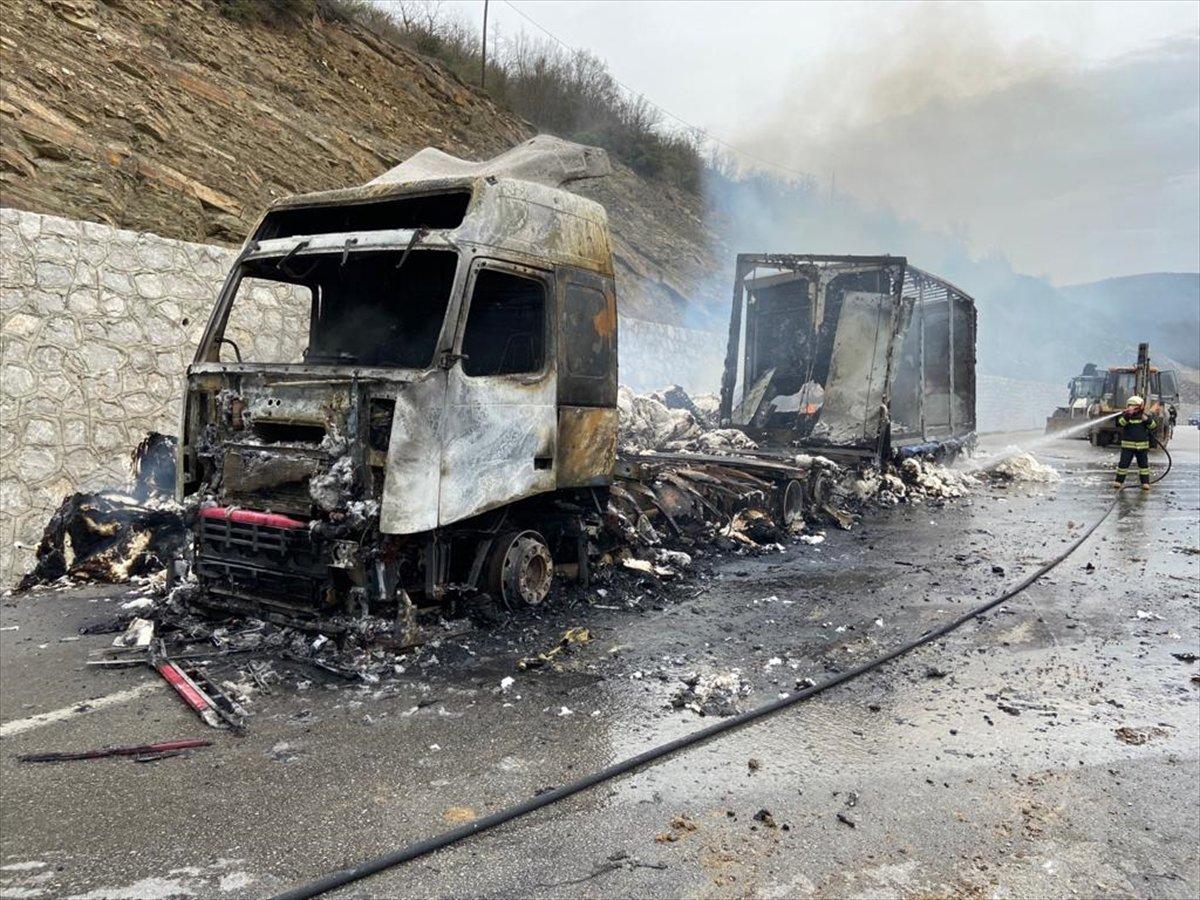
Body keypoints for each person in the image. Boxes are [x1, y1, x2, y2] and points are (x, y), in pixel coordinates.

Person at [1113, 395, 1157, 491]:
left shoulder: (1145, 417)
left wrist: (1147, 420)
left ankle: (1145, 483)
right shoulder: (1125, 416)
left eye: (1133, 406)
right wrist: (1127, 415)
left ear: (1140, 407)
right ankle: (1118, 482)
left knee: (1143, 466)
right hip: (1127, 447)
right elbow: (1120, 423)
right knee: (1123, 465)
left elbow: (1153, 426)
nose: (1131, 407)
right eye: (1130, 405)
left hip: (1142, 447)